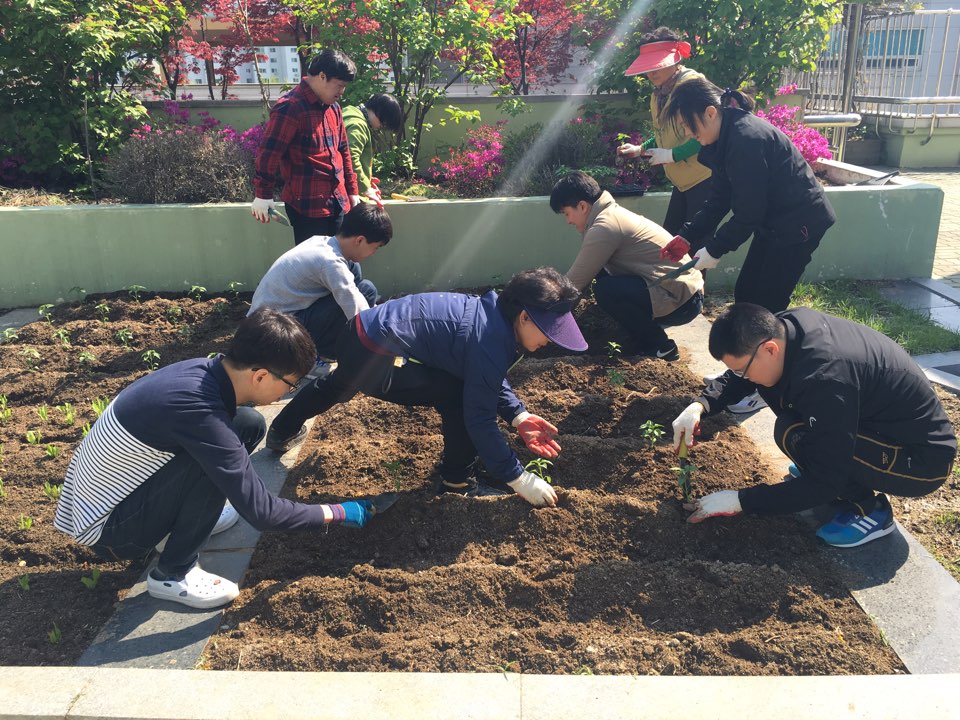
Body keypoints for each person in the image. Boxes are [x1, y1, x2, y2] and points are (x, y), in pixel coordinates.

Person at [53, 309, 380, 610]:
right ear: (261, 376)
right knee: (212, 456)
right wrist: (337, 512)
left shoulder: (205, 371)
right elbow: (263, 513)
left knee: (247, 424)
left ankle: (178, 526)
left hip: (115, 499)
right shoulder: (200, 412)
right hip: (109, 532)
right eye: (291, 384)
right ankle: (173, 573)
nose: (287, 394)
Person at [265, 267, 589, 504]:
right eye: (548, 329)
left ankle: (281, 430)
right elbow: (479, 415)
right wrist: (518, 477)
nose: (551, 339)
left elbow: (484, 373)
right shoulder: (489, 340)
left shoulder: (490, 318)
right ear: (524, 317)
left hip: (361, 333)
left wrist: (517, 415)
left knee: (339, 383)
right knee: (459, 397)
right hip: (377, 353)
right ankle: (457, 483)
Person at [670, 303, 956, 547]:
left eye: (743, 369)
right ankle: (842, 475)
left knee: (805, 446)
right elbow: (737, 377)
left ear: (769, 349)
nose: (743, 377)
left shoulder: (826, 378)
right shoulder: (784, 329)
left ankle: (871, 510)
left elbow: (825, 481)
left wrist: (740, 500)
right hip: (876, 428)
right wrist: (700, 406)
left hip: (918, 461)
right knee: (791, 430)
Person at [658, 77, 836, 413]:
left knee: (766, 303)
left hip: (798, 225)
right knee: (748, 294)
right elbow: (720, 197)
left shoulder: (745, 140)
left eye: (688, 126)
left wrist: (714, 249)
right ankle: (741, 373)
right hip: (776, 223)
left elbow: (748, 213)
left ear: (710, 112)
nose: (688, 134)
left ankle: (762, 385)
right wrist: (687, 235)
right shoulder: (724, 138)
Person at [549, 171, 703, 361]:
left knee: (606, 290)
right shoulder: (607, 215)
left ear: (582, 206)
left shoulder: (604, 226)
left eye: (567, 213)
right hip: (682, 293)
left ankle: (660, 346)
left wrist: (547, 317)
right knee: (601, 276)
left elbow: (573, 284)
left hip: (682, 300)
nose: (568, 221)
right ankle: (635, 334)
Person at [248, 203, 392, 361]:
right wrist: (381, 344)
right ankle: (318, 357)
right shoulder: (331, 263)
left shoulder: (322, 242)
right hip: (274, 332)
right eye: (376, 247)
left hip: (268, 320)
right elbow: (355, 307)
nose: (374, 253)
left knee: (362, 284)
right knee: (362, 294)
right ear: (359, 240)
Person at [250, 49, 361, 245]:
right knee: (313, 269)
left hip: (337, 202)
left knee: (339, 264)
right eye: (340, 85)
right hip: (307, 207)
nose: (342, 92)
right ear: (322, 76)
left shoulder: (333, 107)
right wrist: (263, 194)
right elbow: (268, 154)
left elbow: (343, 150)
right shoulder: (291, 107)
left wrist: (352, 191)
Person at [617, 27, 713, 248]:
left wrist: (672, 155)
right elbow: (665, 133)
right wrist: (641, 149)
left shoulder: (691, 85)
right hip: (683, 183)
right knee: (670, 238)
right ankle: (674, 283)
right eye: (648, 66)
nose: (651, 72)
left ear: (675, 59)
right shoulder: (659, 92)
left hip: (704, 179)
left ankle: (695, 284)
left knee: (694, 244)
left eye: (657, 64)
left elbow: (706, 133)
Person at [343, 93, 404, 207]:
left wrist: (366, 178)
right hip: (345, 196)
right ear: (380, 113)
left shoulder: (350, 113)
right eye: (384, 124)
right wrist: (365, 187)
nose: (381, 127)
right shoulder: (357, 126)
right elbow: (350, 158)